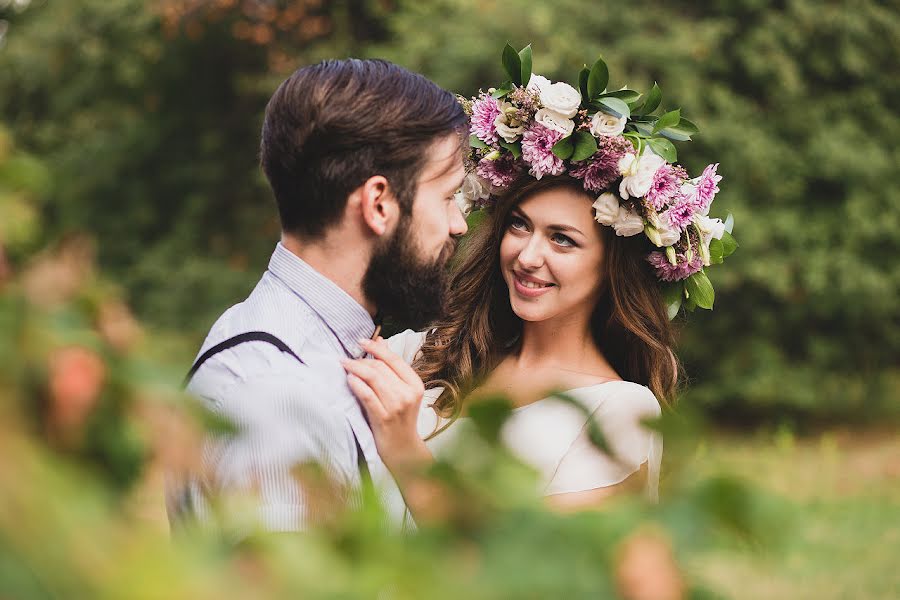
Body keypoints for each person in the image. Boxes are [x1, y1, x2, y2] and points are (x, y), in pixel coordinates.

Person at [341, 53, 731, 521]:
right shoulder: (428, 353)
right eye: (520, 226)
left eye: (562, 240)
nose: (527, 257)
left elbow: (524, 573)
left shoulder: (618, 412)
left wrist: (406, 450)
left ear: (611, 269)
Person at [166, 58, 469, 531]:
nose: (459, 224)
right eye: (448, 196)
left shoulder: (318, 355)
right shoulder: (279, 397)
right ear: (378, 204)